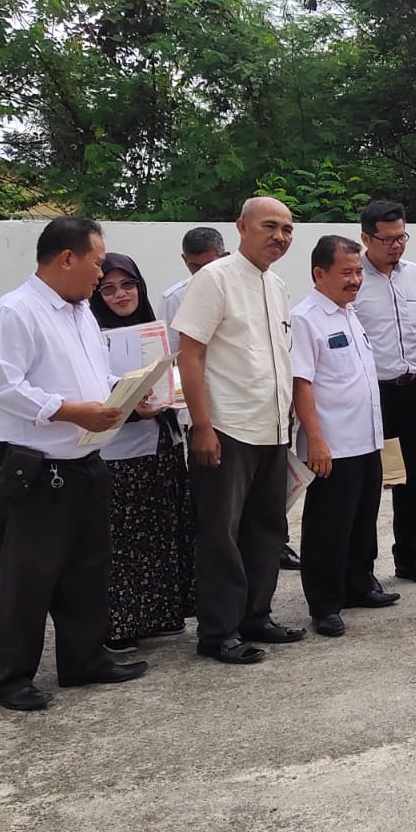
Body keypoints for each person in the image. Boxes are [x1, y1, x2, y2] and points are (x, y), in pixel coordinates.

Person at [0, 216, 147, 711]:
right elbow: (2, 387)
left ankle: (83, 660)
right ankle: (8, 680)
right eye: (96, 263)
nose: (101, 274)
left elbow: (93, 374)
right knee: (27, 578)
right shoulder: (16, 311)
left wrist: (129, 398)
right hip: (34, 467)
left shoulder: (80, 313)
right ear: (67, 258)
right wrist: (72, 411)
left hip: (85, 460)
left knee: (86, 570)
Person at [172, 196, 304, 664]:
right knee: (220, 534)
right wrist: (202, 427)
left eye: (288, 229)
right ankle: (219, 631)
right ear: (241, 227)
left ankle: (256, 616)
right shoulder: (214, 279)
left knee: (267, 529)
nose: (280, 237)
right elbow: (190, 354)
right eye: (270, 226)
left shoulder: (278, 285)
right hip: (226, 428)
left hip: (271, 428)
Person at [292, 236, 400, 637]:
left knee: (362, 519)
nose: (356, 280)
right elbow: (301, 383)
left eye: (358, 272)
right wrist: (316, 440)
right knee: (328, 526)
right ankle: (324, 604)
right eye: (347, 272)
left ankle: (358, 584)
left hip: (366, 438)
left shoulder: (348, 314)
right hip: (333, 442)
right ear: (320, 274)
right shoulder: (306, 318)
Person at [89, 253, 197, 652]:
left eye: (128, 285)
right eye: (109, 288)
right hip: (119, 453)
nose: (121, 295)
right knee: (123, 544)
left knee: (161, 535)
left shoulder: (154, 329)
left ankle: (157, 615)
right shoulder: (93, 337)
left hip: (161, 445)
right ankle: (119, 626)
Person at [356, 199, 416, 585]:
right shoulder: (353, 276)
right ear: (366, 238)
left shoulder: (414, 275)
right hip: (371, 395)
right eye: (387, 239)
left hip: (409, 391)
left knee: (410, 479)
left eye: (401, 236)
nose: (396, 245)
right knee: (370, 480)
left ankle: (410, 557)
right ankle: (363, 568)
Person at [161, 227, 229, 354]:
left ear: (224, 257)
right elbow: (171, 351)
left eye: (209, 266)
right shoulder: (173, 299)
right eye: (195, 266)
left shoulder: (242, 292)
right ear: (184, 259)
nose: (203, 272)